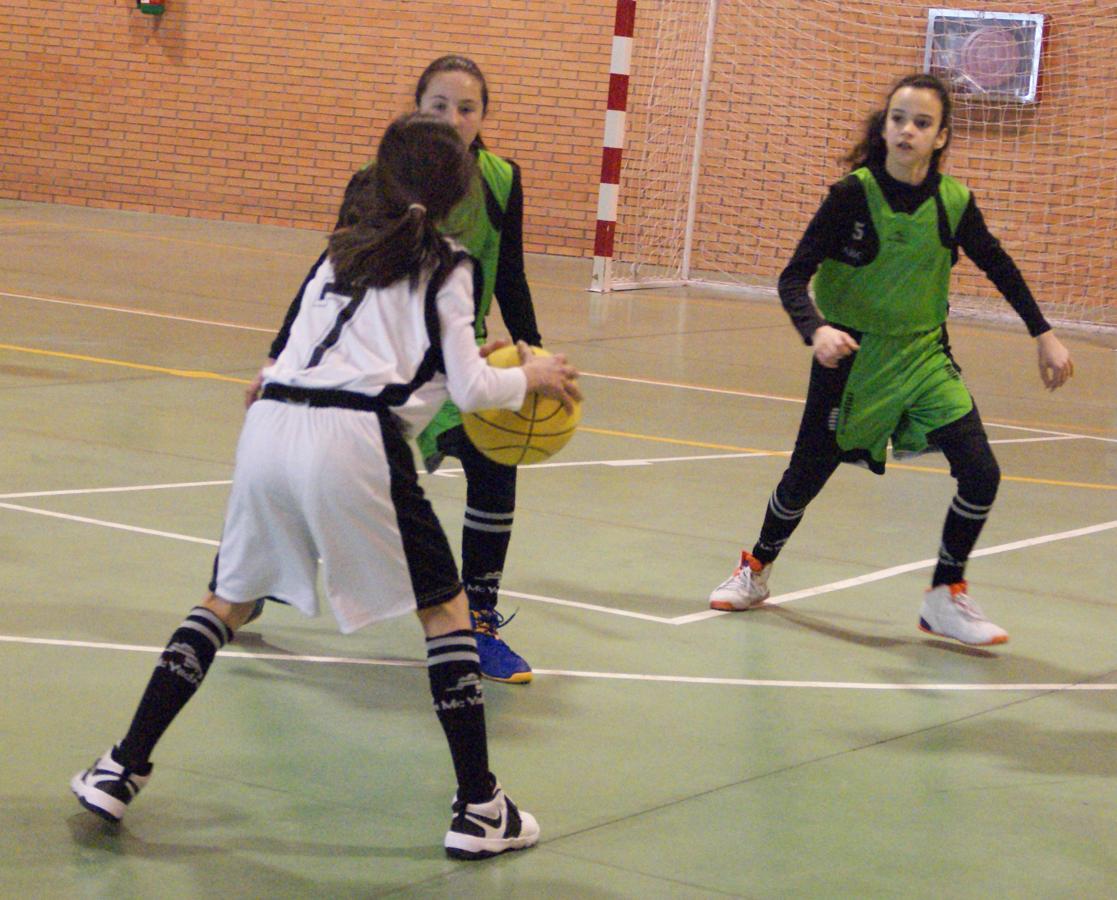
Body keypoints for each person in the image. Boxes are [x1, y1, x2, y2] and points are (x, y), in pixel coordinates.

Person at [70, 113, 581, 859]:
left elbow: (301, 354)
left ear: (382, 178)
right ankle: (480, 808)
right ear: (462, 191)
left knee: (226, 600)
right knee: (446, 611)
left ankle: (120, 767)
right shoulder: (451, 263)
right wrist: (532, 375)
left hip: (270, 422)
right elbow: (472, 392)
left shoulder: (341, 250)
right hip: (353, 438)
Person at [708, 73, 1074, 646]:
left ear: (941, 136)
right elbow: (792, 278)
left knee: (981, 472)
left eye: (922, 123)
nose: (907, 130)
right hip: (852, 358)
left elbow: (998, 264)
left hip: (924, 356)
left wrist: (1043, 333)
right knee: (805, 476)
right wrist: (817, 329)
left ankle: (944, 595)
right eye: (898, 119)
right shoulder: (851, 196)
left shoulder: (954, 203)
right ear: (884, 127)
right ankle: (756, 568)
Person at [250, 56, 543, 684]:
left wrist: (533, 350)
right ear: (417, 109)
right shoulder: (373, 179)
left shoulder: (501, 179)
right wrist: (280, 355)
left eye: (467, 108)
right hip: (375, 362)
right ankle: (255, 577)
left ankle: (480, 618)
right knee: (328, 468)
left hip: (459, 354)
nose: (453, 119)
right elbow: (329, 271)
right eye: (439, 106)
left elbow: (511, 274)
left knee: (495, 464)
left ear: (483, 116)